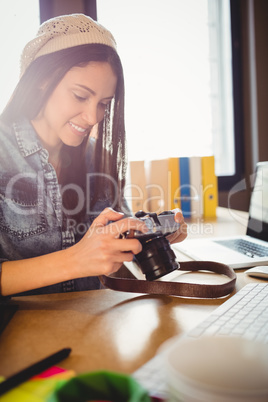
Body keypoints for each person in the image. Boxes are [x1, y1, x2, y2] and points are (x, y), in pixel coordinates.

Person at [0, 14, 187, 297]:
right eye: (79, 96)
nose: (92, 118)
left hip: (92, 326)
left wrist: (151, 237)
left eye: (103, 104)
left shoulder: (97, 159)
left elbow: (117, 245)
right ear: (41, 79)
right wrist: (76, 260)